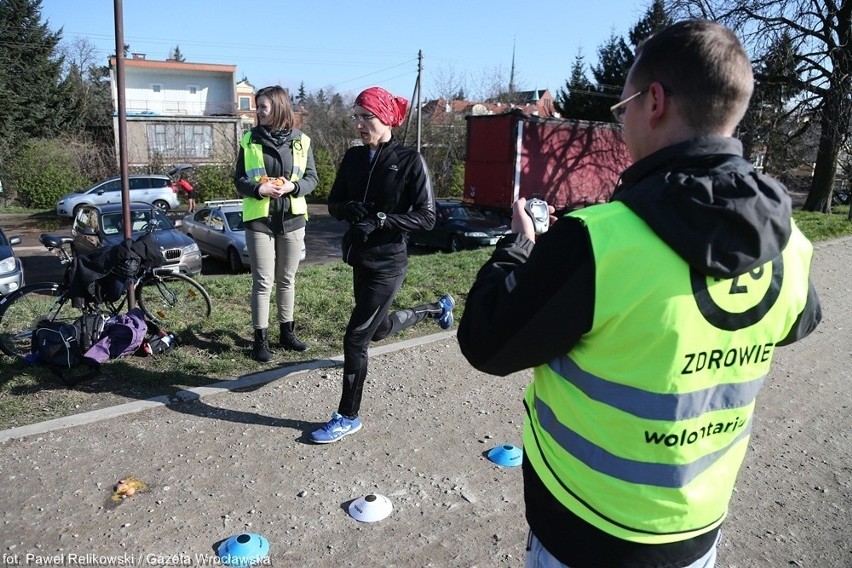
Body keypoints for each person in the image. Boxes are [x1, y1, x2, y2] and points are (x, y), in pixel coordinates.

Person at [457, 20, 822, 568]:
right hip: (696, 530)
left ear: (654, 102)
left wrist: (518, 248)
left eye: (623, 106)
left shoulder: (598, 241)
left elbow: (486, 342)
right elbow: (797, 323)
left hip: (583, 527)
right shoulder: (790, 245)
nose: (622, 122)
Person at [313, 86, 454, 444]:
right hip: (360, 257)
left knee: (356, 338)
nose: (360, 124)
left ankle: (348, 416)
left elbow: (426, 217)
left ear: (386, 118)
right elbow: (333, 203)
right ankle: (437, 308)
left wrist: (382, 219)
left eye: (368, 117)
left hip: (390, 262)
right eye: (356, 117)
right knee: (377, 329)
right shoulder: (353, 158)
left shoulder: (410, 161)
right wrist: (350, 210)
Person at [234, 85, 318, 361]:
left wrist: (292, 187)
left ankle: (287, 333)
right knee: (263, 281)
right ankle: (260, 340)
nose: (258, 111)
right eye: (257, 107)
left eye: (262, 107)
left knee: (287, 279)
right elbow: (239, 180)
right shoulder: (249, 139)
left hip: (292, 219)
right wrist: (260, 190)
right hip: (260, 219)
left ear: (279, 107)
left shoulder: (302, 141)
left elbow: (312, 179)